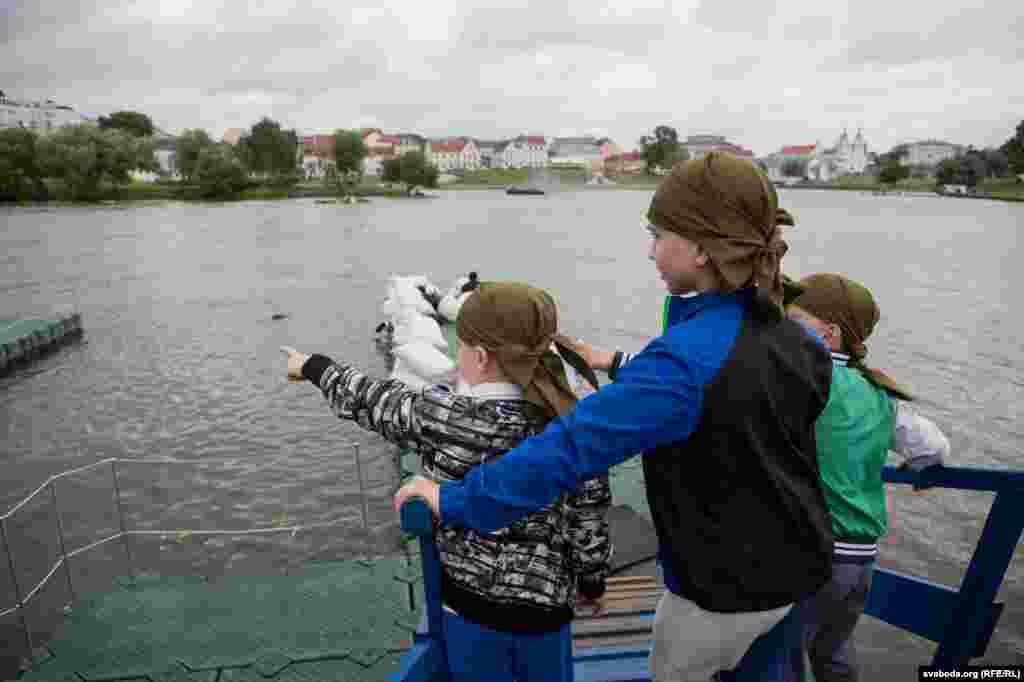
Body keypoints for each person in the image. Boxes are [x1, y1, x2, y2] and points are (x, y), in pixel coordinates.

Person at [395, 152, 836, 681]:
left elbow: (567, 449)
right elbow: (744, 407)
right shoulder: (797, 341)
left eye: (658, 235)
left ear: (701, 249)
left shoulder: (683, 362)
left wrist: (452, 498)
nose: (650, 251)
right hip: (799, 573)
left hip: (718, 596)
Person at [284, 281, 612, 682]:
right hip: (547, 615)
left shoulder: (444, 416)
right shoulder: (573, 427)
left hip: (468, 611)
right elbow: (589, 515)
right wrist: (592, 582)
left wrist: (314, 366)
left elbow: (374, 400)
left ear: (479, 357)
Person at [782, 273, 950, 682]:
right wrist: (918, 467)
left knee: (783, 653)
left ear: (829, 332)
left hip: (812, 551)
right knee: (833, 651)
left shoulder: (804, 379)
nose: (782, 327)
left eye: (794, 320)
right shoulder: (878, 393)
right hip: (859, 558)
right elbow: (934, 448)